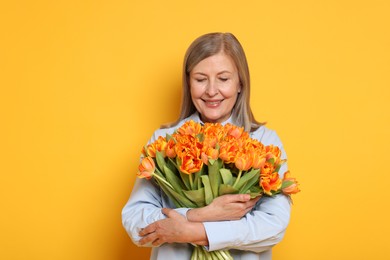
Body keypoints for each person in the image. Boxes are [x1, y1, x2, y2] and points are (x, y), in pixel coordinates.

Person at [122, 32, 291, 259]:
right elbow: (135, 221)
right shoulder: (164, 141)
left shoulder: (265, 142)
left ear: (240, 83)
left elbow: (273, 226)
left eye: (223, 79)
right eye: (201, 79)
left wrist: (194, 231)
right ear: (189, 82)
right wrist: (198, 214)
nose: (211, 91)